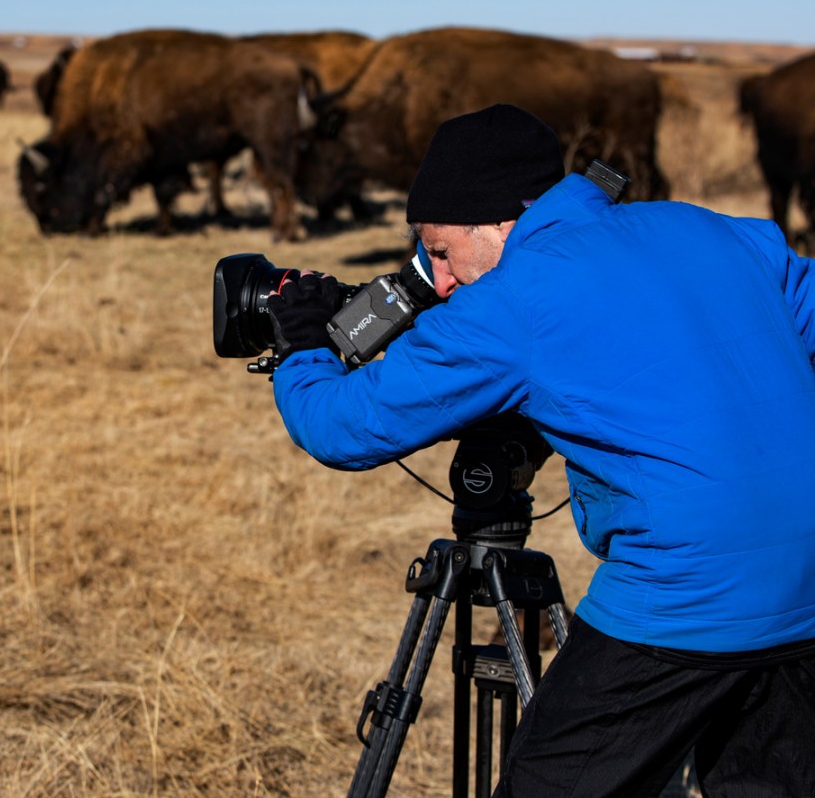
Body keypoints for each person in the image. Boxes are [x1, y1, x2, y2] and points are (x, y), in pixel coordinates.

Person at [266, 103, 815, 796]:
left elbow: (340, 426)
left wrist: (303, 344)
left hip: (684, 591)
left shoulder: (515, 301)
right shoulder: (714, 231)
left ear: (499, 222)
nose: (437, 281)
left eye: (439, 249)